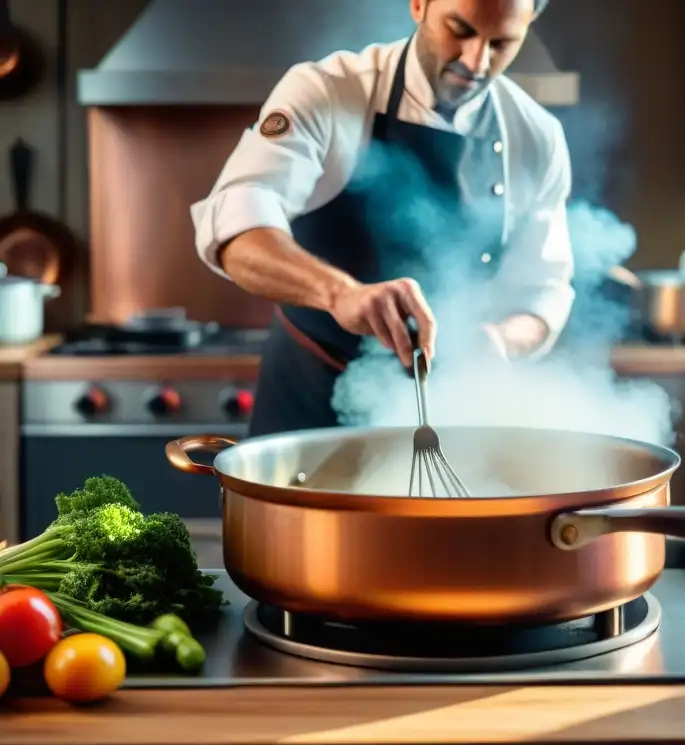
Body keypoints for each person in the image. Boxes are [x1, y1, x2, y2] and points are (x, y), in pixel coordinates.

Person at [190, 0, 576, 437]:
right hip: (307, 406)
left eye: (501, 43)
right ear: (418, 5)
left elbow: (541, 293)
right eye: (460, 30)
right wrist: (340, 293)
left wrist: (499, 341)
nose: (476, 61)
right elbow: (234, 226)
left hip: (445, 417)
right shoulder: (328, 91)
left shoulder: (536, 136)